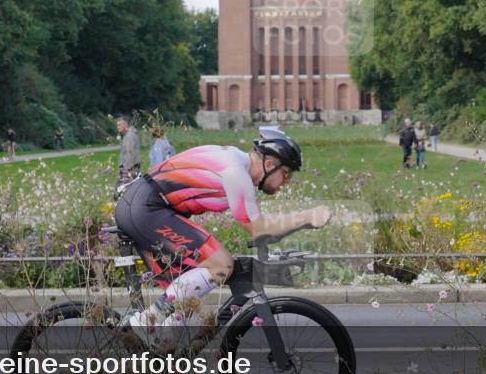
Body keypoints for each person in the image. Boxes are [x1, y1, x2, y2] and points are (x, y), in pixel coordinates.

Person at [115, 129, 330, 349]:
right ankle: (145, 322)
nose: (287, 181)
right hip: (146, 208)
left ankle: (159, 368)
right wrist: (308, 217)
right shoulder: (236, 172)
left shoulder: (237, 164)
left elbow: (257, 221)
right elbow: (259, 229)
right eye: (286, 173)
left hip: (148, 206)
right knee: (222, 265)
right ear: (269, 164)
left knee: (186, 302)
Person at [117, 117, 140, 182]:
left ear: (125, 124)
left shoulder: (130, 136)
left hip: (129, 169)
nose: (117, 127)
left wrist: (126, 170)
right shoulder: (127, 135)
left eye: (119, 125)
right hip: (129, 168)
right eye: (117, 125)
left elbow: (130, 153)